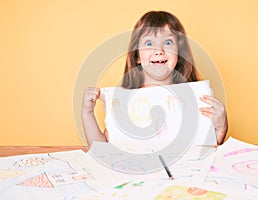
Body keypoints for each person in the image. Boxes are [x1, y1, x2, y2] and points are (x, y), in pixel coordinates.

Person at [81, 11, 228, 147]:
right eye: (149, 43)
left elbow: (205, 151)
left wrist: (221, 129)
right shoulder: (124, 101)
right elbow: (103, 151)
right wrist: (87, 114)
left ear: (180, 52)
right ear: (137, 55)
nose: (159, 50)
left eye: (168, 42)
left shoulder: (195, 100)